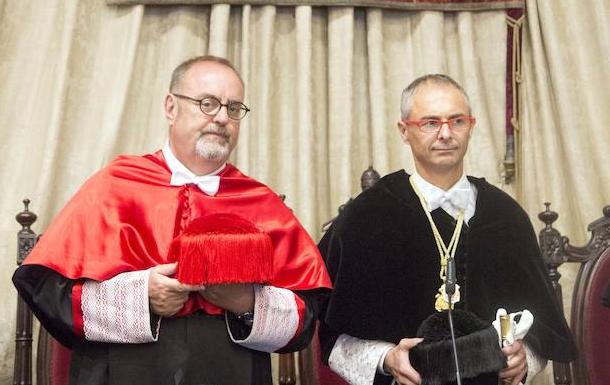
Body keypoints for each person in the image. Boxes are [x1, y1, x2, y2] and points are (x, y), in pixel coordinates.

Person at [13, 55, 331, 385]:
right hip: (121, 370)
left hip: (231, 370)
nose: (222, 117)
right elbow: (49, 295)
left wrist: (246, 302)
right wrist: (141, 297)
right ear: (170, 107)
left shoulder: (261, 203)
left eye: (234, 108)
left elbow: (305, 321)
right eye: (208, 103)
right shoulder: (114, 186)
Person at [317, 74, 576, 385]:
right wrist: (387, 359)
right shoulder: (366, 217)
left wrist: (525, 359)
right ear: (404, 130)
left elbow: (541, 330)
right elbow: (334, 338)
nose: (445, 133)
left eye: (457, 121)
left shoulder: (506, 217)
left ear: (471, 126)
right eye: (430, 123)